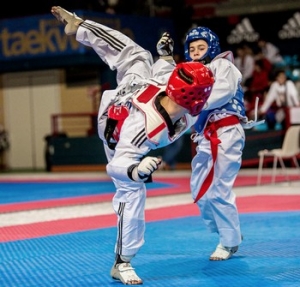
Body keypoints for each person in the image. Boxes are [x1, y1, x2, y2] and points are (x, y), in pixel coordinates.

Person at [51, 6, 215, 285]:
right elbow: (115, 166)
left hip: (132, 98)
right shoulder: (146, 129)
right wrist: (137, 170)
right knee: (132, 189)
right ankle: (122, 262)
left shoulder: (179, 104)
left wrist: (164, 58)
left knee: (139, 57)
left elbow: (166, 75)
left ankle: (120, 260)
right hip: (117, 126)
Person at [183, 26, 254, 261]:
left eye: (201, 47)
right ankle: (229, 232)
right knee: (199, 190)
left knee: (218, 191)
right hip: (206, 136)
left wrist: (193, 105)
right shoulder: (191, 74)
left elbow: (221, 93)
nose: (195, 52)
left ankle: (228, 242)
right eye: (191, 48)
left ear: (211, 47)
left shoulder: (224, 65)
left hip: (226, 131)